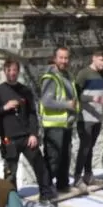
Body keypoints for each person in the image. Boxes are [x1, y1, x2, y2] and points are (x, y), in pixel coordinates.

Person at [0, 59, 55, 203]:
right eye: (9, 70)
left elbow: (32, 114)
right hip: (9, 137)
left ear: (18, 71)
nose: (12, 73)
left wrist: (34, 134)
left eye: (14, 70)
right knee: (10, 171)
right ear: (5, 71)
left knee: (40, 165)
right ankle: (12, 200)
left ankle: (46, 194)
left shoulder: (25, 91)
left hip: (27, 136)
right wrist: (4, 108)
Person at [39, 47, 78, 193]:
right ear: (55, 59)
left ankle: (63, 184)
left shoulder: (67, 75)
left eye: (66, 58)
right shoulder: (51, 78)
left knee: (65, 156)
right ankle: (47, 187)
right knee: (53, 158)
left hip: (66, 123)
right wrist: (67, 105)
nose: (64, 61)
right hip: (54, 125)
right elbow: (46, 101)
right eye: (61, 58)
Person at [72, 50, 103, 192]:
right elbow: (77, 95)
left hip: (98, 116)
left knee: (90, 147)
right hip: (85, 117)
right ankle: (77, 177)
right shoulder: (84, 74)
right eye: (101, 60)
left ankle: (88, 175)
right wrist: (93, 99)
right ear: (93, 58)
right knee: (84, 147)